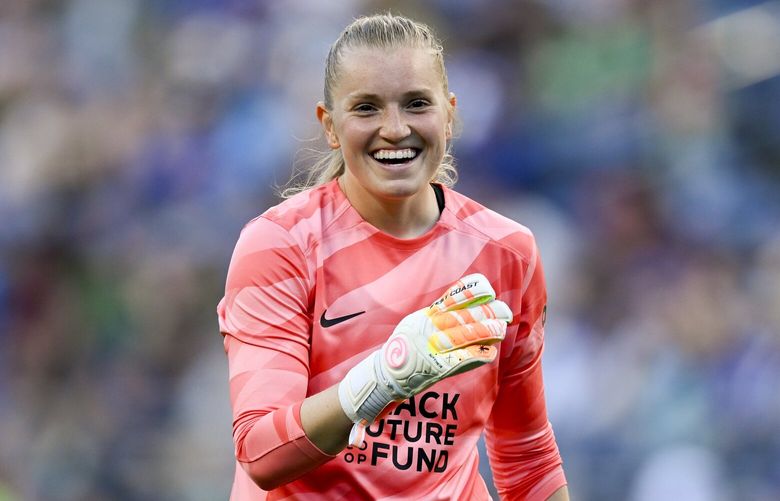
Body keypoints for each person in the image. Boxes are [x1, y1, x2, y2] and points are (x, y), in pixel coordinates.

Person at [217, 13, 569, 500]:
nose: (395, 128)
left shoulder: (507, 252)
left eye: (416, 103)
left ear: (449, 113)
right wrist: (384, 378)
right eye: (366, 108)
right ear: (330, 126)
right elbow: (261, 452)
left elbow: (526, 455)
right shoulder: (281, 246)